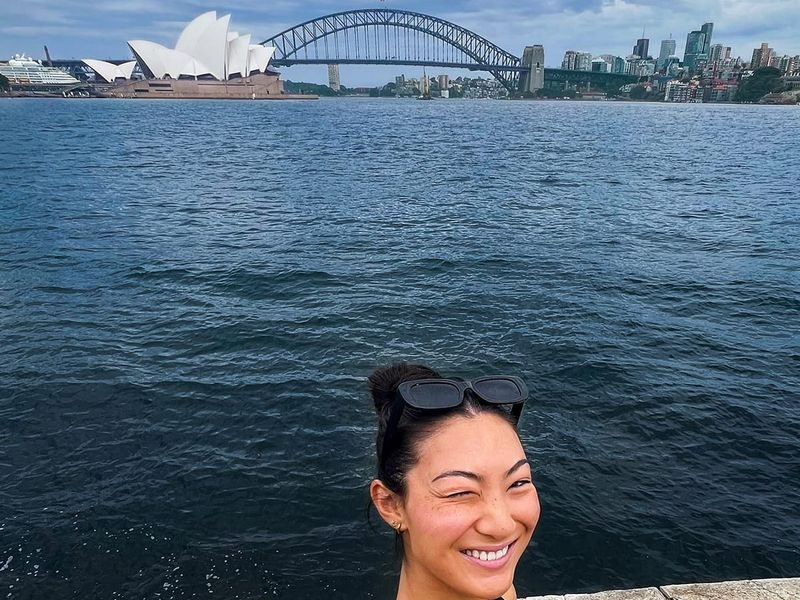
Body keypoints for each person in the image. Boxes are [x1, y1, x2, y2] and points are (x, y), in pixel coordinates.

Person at [368, 363, 541, 600]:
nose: (503, 526)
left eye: (517, 483)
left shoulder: (503, 592)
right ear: (390, 505)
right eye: (460, 492)